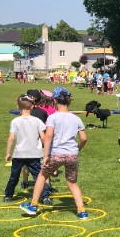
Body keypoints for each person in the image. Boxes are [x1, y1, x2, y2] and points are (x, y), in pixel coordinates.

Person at [20, 87, 89, 219]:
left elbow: (48, 136)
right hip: (72, 155)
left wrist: (46, 155)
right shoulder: (76, 118)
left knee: (42, 176)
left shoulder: (52, 117)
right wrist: (77, 149)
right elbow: (84, 138)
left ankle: (33, 205)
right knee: (72, 183)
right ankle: (82, 211)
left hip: (56, 154)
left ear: (55, 101)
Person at [4, 95, 53, 204]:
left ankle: (8, 195)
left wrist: (8, 152)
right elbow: (43, 137)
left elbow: (11, 138)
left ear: (18, 107)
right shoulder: (37, 121)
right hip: (34, 154)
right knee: (39, 176)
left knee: (14, 176)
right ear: (32, 107)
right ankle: (45, 196)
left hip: (19, 154)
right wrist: (47, 152)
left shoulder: (15, 121)